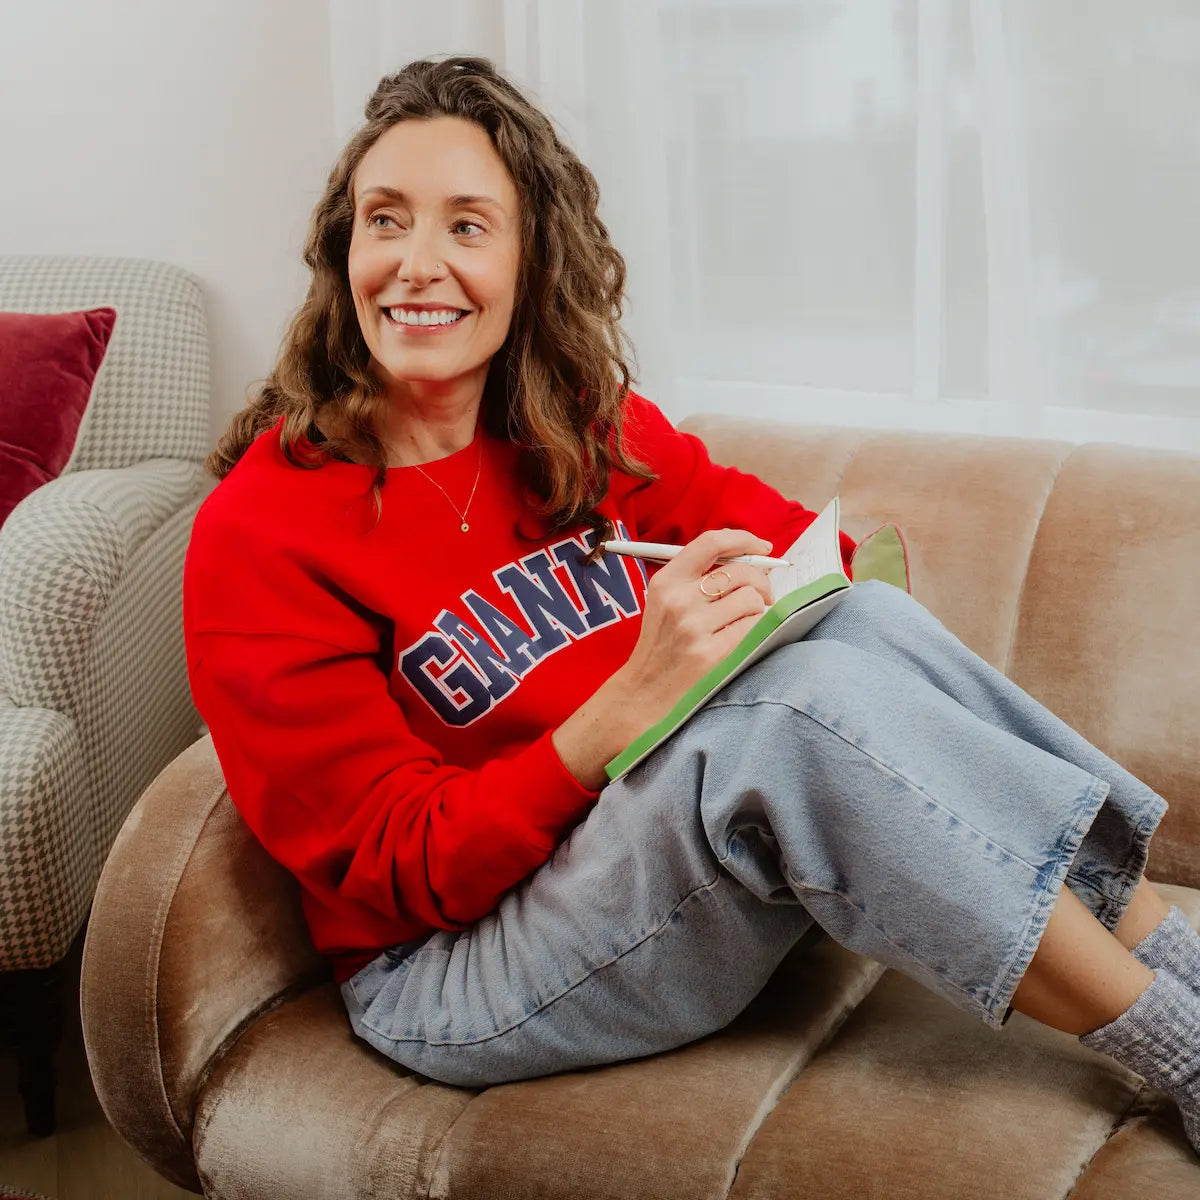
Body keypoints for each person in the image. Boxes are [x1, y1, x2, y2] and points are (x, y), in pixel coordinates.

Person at [183, 56, 1200, 1151]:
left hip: (637, 867)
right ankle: (1184, 1052)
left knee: (862, 622)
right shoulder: (262, 534)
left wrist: (774, 604)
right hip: (452, 972)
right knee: (784, 720)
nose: (416, 263)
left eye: (467, 226)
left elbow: (809, 551)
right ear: (345, 248)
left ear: (531, 259)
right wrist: (633, 701)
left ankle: (1175, 957)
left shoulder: (570, 423)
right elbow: (404, 867)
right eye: (386, 219)